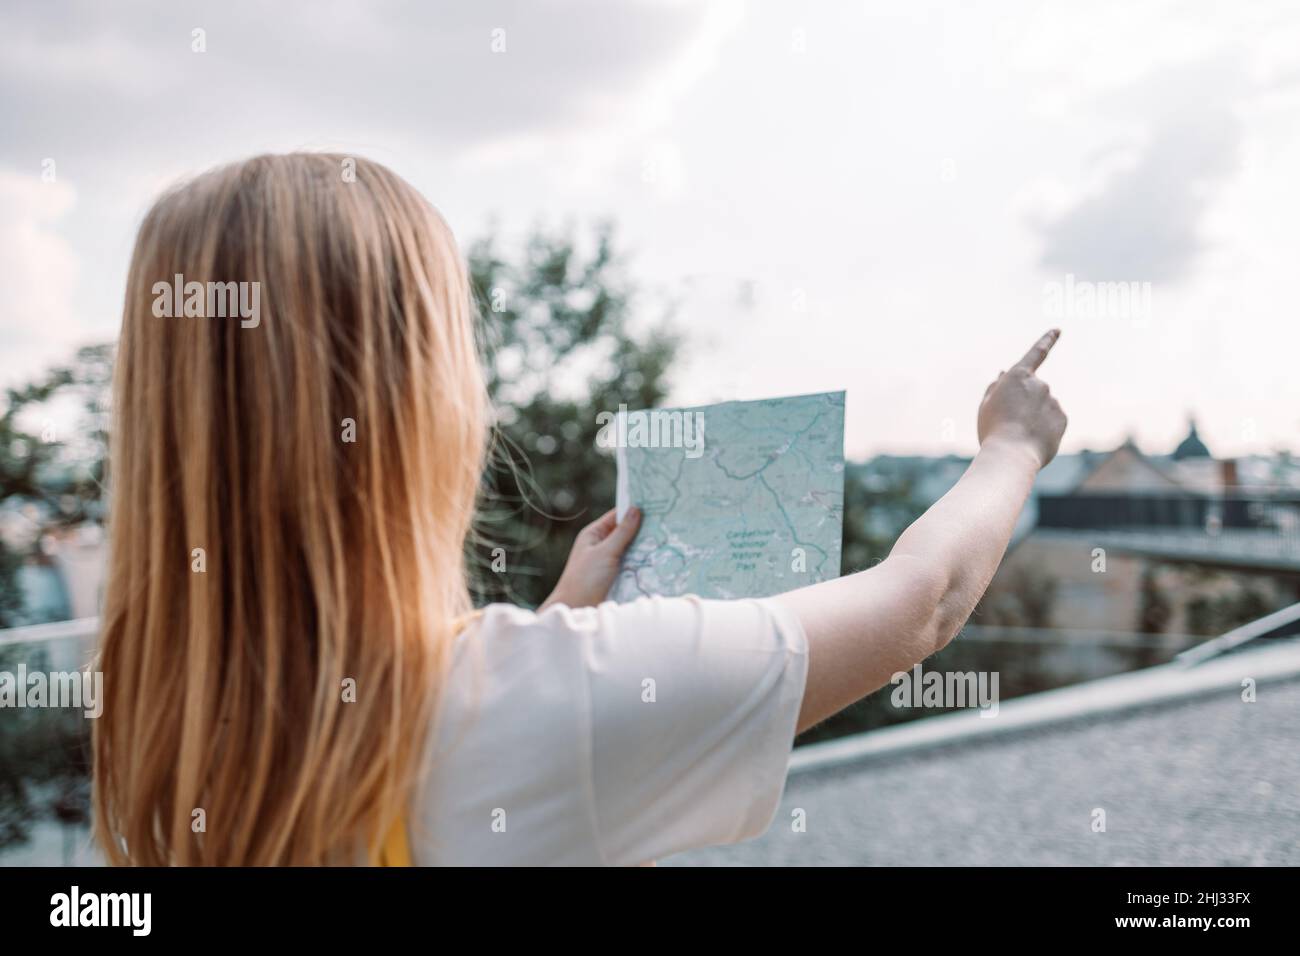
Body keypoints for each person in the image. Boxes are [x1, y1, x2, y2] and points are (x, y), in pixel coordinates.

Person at [93, 153, 1067, 866]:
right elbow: (924, 601)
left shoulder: (155, 723)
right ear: (413, 405)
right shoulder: (553, 703)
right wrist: (1011, 443)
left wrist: (557, 625)